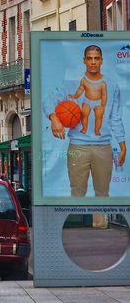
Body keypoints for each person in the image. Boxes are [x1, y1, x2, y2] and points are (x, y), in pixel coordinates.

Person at [47, 44, 126, 198]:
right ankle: (79, 221)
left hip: (103, 146)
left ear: (102, 60)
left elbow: (116, 118)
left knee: (103, 193)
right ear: (84, 60)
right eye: (90, 58)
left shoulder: (111, 85)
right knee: (77, 192)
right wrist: (54, 117)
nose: (93, 62)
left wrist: (122, 146)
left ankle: (100, 223)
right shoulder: (71, 83)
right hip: (78, 146)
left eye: (96, 58)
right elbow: (49, 101)